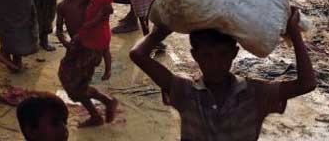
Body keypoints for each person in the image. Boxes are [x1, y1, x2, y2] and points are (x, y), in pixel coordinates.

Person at [129, 8, 316, 141]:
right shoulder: (184, 90)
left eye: (223, 54)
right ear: (195, 55)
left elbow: (307, 83)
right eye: (207, 55)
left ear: (234, 54)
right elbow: (137, 55)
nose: (215, 63)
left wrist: (294, 34)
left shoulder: (256, 93)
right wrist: (158, 34)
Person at [53, 0, 118, 128]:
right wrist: (66, 43)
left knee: (78, 87)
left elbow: (103, 16)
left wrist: (104, 51)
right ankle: (104, 105)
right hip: (75, 48)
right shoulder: (61, 7)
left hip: (89, 49)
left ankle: (101, 109)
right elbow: (59, 29)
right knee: (66, 77)